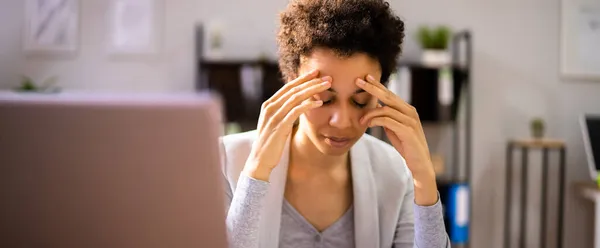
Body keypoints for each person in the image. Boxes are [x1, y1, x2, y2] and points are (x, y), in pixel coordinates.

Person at [220, 0, 451, 247]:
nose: (341, 122)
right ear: (291, 85)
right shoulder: (225, 161)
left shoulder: (396, 174)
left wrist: (425, 180)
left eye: (361, 101)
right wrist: (257, 172)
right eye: (324, 99)